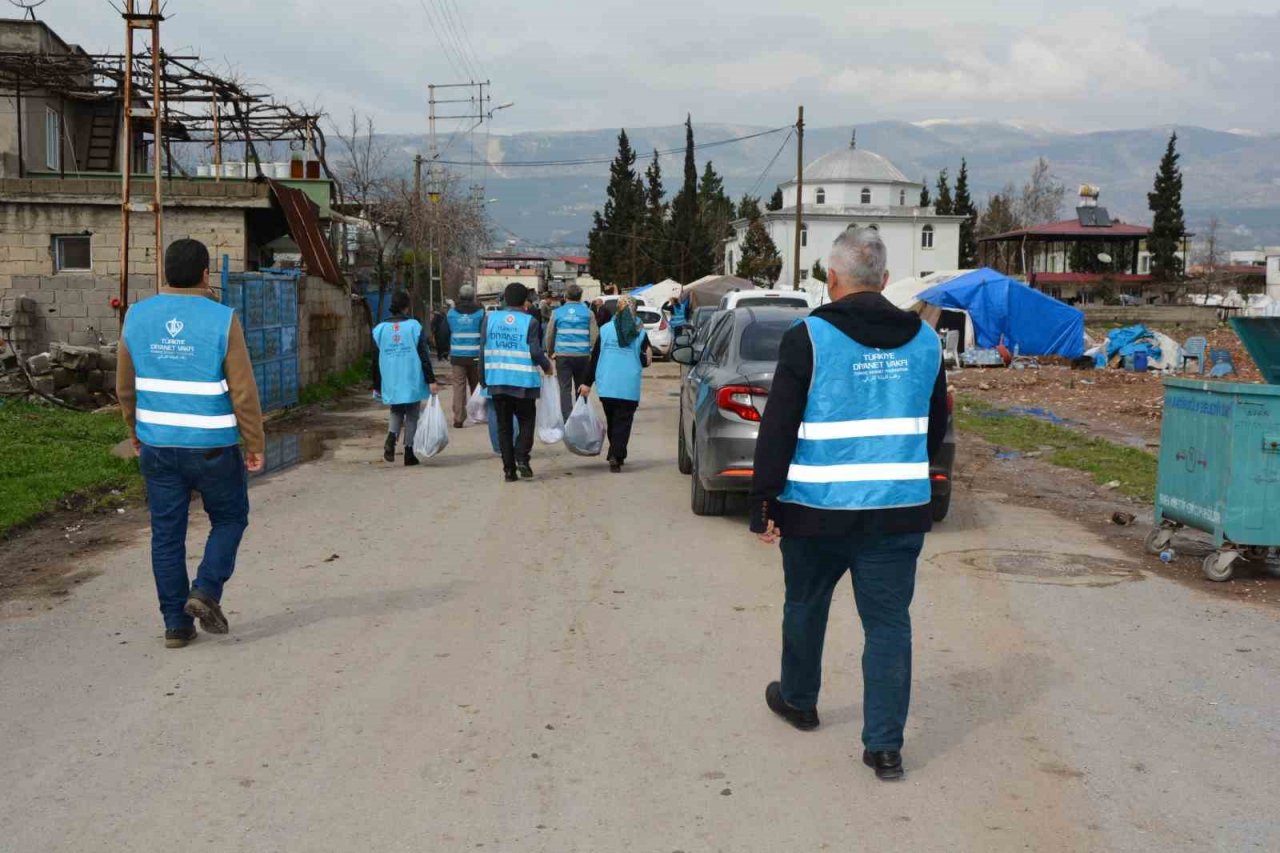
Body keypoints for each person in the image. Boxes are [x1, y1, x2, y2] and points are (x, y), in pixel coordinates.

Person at [749, 227, 948, 782]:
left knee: (806, 604)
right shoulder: (927, 341)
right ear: (884, 282)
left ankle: (799, 700)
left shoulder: (808, 337)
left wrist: (764, 499)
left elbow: (779, 426)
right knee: (888, 625)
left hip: (816, 509)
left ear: (830, 279)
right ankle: (885, 747)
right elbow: (935, 428)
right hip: (898, 509)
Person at [115, 238, 265, 649]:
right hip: (213, 446)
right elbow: (243, 391)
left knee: (166, 535)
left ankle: (176, 627)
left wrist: (134, 429)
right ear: (205, 273)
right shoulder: (221, 319)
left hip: (158, 446)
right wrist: (254, 441)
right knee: (230, 518)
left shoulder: (137, 316)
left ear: (164, 271)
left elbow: (124, 387)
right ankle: (205, 590)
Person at [479, 283, 553, 482]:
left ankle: (508, 470)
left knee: (504, 427)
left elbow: (483, 350)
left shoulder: (489, 319)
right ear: (524, 301)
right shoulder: (530, 322)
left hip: (497, 381)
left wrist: (483, 379)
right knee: (526, 422)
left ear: (505, 299)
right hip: (523, 384)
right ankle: (522, 457)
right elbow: (535, 351)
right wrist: (547, 366)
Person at [579, 295, 651, 473]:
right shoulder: (640, 332)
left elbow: (595, 358)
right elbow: (645, 360)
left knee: (613, 421)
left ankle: (616, 452)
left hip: (607, 384)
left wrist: (587, 383)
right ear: (634, 310)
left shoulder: (605, 330)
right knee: (623, 422)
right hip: (628, 384)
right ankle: (616, 455)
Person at [372, 291, 440, 466]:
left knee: (396, 410)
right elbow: (424, 355)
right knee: (411, 414)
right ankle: (408, 452)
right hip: (411, 376)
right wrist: (431, 379)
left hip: (391, 376)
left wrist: (376, 383)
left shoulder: (380, 329)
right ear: (406, 307)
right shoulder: (414, 326)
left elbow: (375, 358)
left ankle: (391, 437)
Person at [546, 283, 599, 421]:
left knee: (564, 389)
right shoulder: (589, 313)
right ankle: (581, 416)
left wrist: (550, 352)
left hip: (562, 356)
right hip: (582, 356)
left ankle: (567, 419)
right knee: (582, 387)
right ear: (581, 297)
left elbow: (550, 335)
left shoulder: (557, 313)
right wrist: (593, 355)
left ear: (566, 296)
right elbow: (595, 337)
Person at [446, 285, 485, 428]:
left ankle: (458, 418)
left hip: (457, 356)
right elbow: (483, 334)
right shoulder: (480, 313)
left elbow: (449, 330)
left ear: (460, 296)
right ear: (473, 296)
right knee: (476, 385)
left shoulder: (451, 313)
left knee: (458, 387)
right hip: (475, 356)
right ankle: (478, 414)